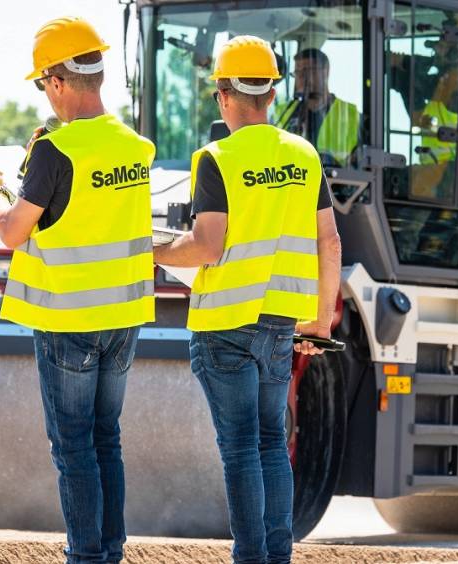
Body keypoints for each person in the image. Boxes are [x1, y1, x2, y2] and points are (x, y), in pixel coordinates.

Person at [153, 35, 342, 564]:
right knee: (270, 445)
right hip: (281, 324)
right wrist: (320, 324)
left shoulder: (217, 159)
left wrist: (153, 253)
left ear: (224, 94)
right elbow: (330, 242)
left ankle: (251, 557)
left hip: (226, 325)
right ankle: (274, 557)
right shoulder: (304, 156)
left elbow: (208, 246)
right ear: (271, 94)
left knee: (240, 450)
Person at [0, 16, 156, 564]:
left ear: (57, 81)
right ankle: (109, 548)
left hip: (68, 323)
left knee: (74, 445)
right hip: (122, 317)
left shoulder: (57, 152)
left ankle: (86, 555)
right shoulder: (135, 147)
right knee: (107, 439)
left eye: (42, 85)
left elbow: (12, 232)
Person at [389, 16, 458, 200]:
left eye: (443, 45)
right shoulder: (444, 86)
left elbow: (423, 84)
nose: (437, 49)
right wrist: (401, 78)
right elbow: (417, 116)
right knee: (389, 180)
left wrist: (403, 64)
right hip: (444, 172)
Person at [274, 48, 360, 167]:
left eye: (306, 71)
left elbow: (360, 166)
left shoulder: (350, 116)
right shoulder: (281, 114)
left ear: (326, 71)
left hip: (334, 183)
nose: (300, 77)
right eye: (297, 73)